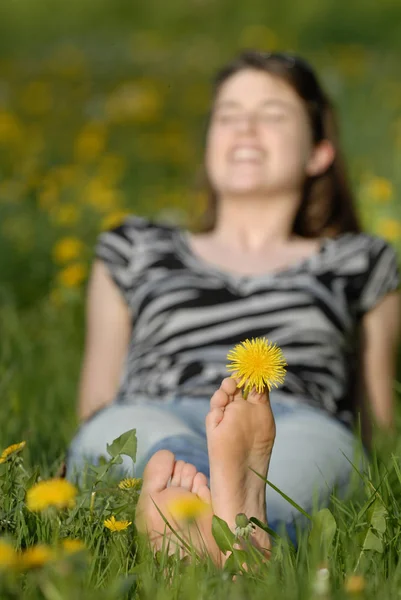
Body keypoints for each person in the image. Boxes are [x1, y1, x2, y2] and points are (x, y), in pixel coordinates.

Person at [67, 50, 400, 560]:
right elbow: (98, 400)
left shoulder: (361, 260)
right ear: (209, 145)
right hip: (154, 404)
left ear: (319, 152)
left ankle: (189, 518)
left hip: (292, 417)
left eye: (271, 114)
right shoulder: (133, 246)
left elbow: (373, 418)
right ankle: (237, 524)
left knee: (307, 451)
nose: (245, 128)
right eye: (228, 116)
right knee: (147, 442)